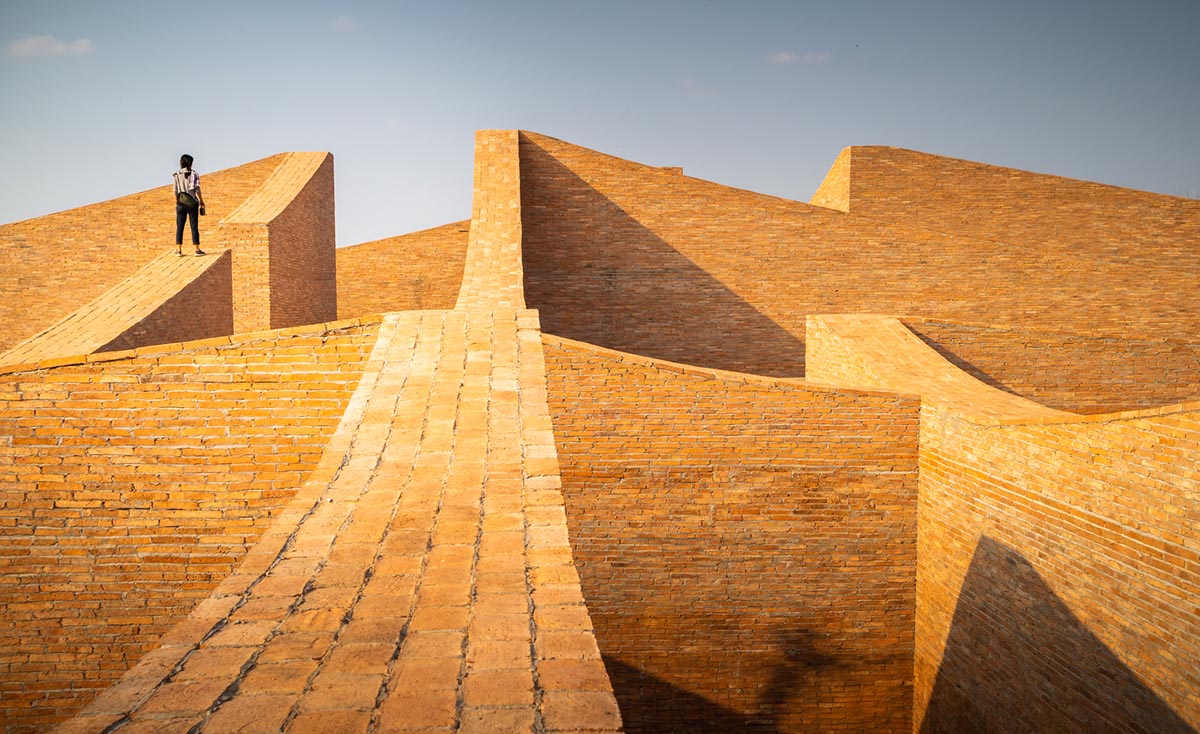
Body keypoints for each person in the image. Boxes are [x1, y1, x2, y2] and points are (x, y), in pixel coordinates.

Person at [172, 154, 206, 256]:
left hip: (181, 203)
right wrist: (201, 201)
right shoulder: (194, 174)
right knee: (194, 226)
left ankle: (178, 250)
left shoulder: (176, 175)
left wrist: (177, 201)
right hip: (192, 203)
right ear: (190, 163)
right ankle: (197, 249)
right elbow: (197, 189)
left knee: (180, 227)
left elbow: (175, 190)